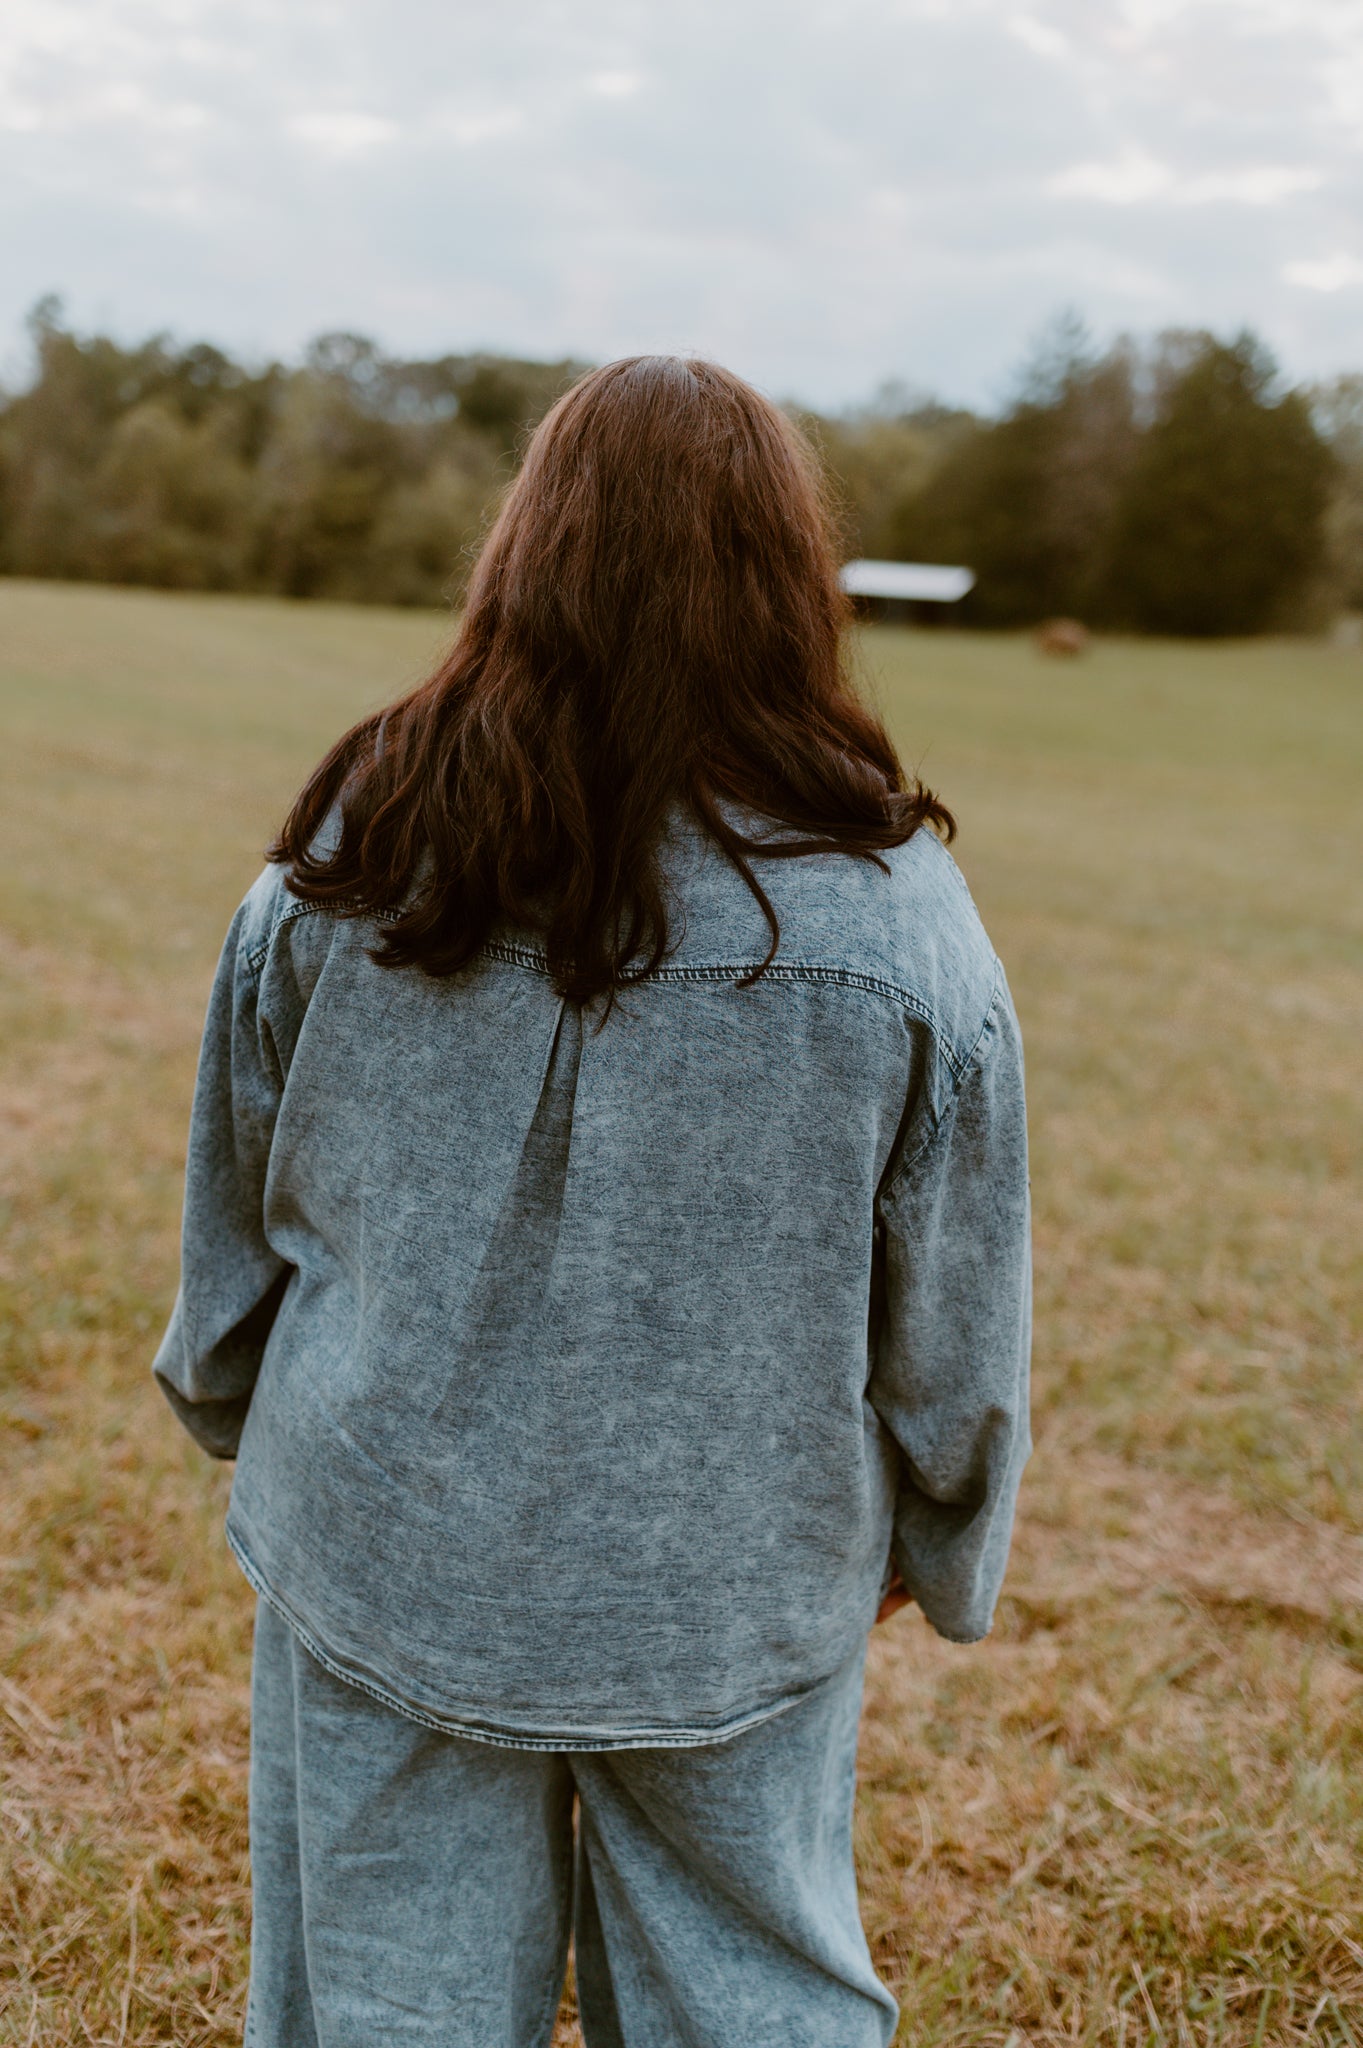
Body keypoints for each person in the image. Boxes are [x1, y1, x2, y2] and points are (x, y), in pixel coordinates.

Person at [153, 354, 1031, 2048]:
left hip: (388, 1532)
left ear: (522, 550)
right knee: (751, 2000)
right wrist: (942, 1526)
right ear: (790, 581)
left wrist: (228, 1397)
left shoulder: (354, 846)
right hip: (731, 1576)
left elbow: (233, 1202)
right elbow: (959, 1313)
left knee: (379, 2013)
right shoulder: (900, 918)